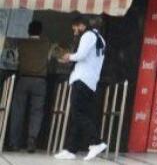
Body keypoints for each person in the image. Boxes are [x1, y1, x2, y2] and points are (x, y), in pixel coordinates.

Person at [53, 16, 106, 160]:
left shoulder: (88, 35)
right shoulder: (101, 39)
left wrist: (68, 57)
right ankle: (71, 149)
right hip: (90, 82)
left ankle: (96, 142)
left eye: (75, 27)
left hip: (81, 80)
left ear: (82, 25)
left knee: (78, 114)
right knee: (80, 115)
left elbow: (81, 55)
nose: (74, 30)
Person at [8, 20, 51, 153]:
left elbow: (15, 60)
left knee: (18, 111)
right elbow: (49, 60)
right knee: (36, 112)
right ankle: (32, 140)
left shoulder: (22, 43)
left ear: (28, 30)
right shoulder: (47, 44)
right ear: (41, 31)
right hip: (40, 81)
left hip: (24, 79)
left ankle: (14, 143)